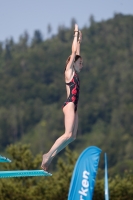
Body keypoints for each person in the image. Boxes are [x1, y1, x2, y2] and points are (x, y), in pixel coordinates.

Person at [41, 24, 83, 171]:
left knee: (72, 137)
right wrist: (76, 34)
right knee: (67, 134)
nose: (81, 63)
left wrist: (79, 42)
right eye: (80, 62)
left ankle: (50, 157)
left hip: (75, 106)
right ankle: (47, 155)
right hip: (70, 104)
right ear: (72, 63)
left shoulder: (76, 73)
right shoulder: (69, 72)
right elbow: (73, 53)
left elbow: (77, 52)